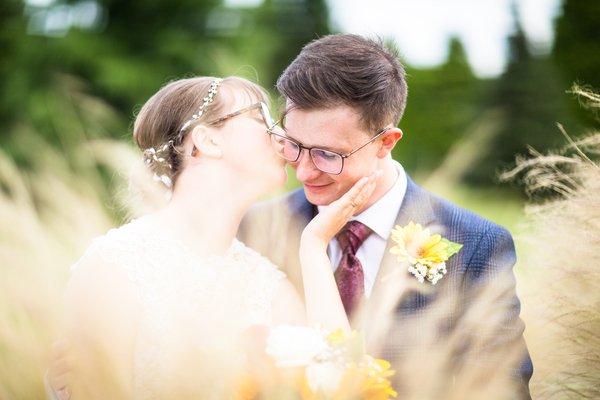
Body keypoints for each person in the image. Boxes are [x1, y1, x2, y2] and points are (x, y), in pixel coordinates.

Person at [50, 34, 533, 399]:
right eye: (290, 139)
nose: (298, 165)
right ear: (206, 141)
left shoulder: (477, 246)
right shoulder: (250, 234)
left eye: (326, 154)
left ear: (386, 143)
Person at [49, 75, 381, 400]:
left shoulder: (269, 287)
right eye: (260, 118)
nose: (281, 135)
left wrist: (314, 246)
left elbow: (342, 385)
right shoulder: (117, 265)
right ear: (208, 140)